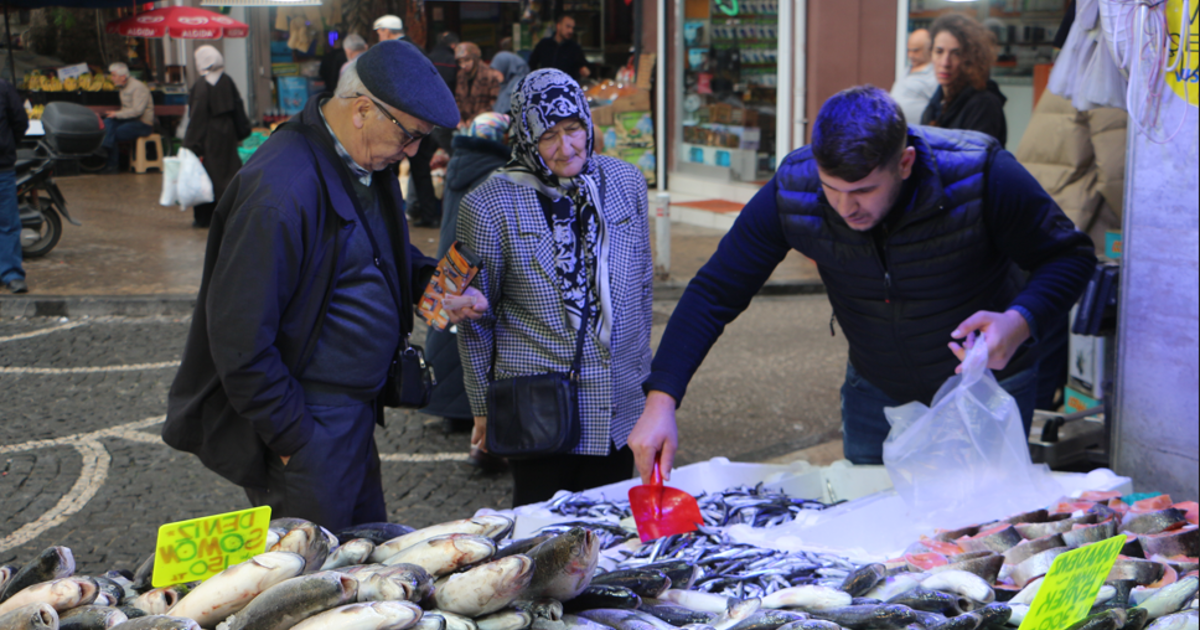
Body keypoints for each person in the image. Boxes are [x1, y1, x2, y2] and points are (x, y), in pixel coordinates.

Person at [629, 86, 1096, 482]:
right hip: (875, 391)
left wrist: (1018, 322)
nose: (845, 207)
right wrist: (661, 398)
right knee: (874, 536)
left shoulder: (981, 174)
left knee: (980, 535)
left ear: (906, 161)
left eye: (863, 191)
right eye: (831, 189)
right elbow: (715, 290)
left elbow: (1070, 255)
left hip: (985, 387)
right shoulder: (794, 187)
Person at [163, 40, 487, 530]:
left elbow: (370, 255)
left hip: (351, 417)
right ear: (362, 110)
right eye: (411, 136)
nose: (414, 151)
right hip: (311, 422)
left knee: (363, 562)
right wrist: (294, 437)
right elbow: (238, 339)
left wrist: (432, 287)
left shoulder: (360, 158)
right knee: (317, 584)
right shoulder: (280, 189)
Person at [457, 69, 653, 507]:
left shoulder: (625, 183)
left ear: (588, 123)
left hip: (618, 403)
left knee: (608, 539)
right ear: (525, 136)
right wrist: (482, 405)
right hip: (538, 409)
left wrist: (645, 383)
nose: (566, 148)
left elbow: (642, 286)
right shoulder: (489, 203)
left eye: (573, 129)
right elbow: (475, 319)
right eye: (548, 135)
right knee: (543, 543)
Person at [421, 112, 512, 445]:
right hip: (475, 266)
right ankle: (469, 421)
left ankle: (449, 409)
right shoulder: (494, 173)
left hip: (453, 263)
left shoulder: (460, 165)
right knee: (472, 331)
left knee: (449, 331)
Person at [182, 46, 245, 229]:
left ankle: (205, 218)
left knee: (207, 177)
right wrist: (241, 131)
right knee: (228, 174)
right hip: (227, 134)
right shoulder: (227, 81)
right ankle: (229, 213)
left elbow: (197, 116)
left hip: (209, 136)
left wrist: (191, 143)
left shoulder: (202, 85)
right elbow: (238, 106)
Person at [921, 14, 1008, 146]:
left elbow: (974, 162)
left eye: (956, 53)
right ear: (931, 53)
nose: (945, 63)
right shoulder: (937, 101)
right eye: (939, 51)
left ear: (971, 58)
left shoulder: (984, 104)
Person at [406, 32, 461, 229]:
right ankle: (441, 213)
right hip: (443, 120)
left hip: (420, 123)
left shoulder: (418, 66)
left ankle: (423, 212)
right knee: (450, 164)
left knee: (419, 171)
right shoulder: (441, 62)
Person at [0, 76, 28, 294]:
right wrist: (9, 145)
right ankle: (11, 275)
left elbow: (20, 122)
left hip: (3, 167)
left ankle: (11, 274)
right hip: (3, 165)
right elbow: (20, 122)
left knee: (8, 222)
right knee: (8, 223)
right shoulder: (4, 87)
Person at [100, 62, 154, 174]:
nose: (112, 78)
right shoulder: (122, 87)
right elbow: (126, 110)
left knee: (115, 133)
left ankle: (112, 164)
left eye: (114, 76)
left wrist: (117, 114)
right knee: (108, 123)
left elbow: (138, 111)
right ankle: (105, 147)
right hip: (129, 120)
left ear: (123, 77)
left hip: (142, 123)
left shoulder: (138, 87)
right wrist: (115, 114)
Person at [890, 29, 938, 126]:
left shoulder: (934, 75)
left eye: (916, 51)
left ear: (929, 49)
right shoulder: (907, 69)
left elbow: (938, 110)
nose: (910, 55)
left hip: (916, 135)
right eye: (909, 50)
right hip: (895, 132)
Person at [528, 15, 591, 83]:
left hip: (566, 88)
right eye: (568, 27)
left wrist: (584, 70)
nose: (571, 31)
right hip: (546, 86)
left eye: (572, 28)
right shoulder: (544, 44)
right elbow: (532, 63)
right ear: (558, 26)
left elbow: (583, 65)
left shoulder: (575, 48)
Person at [454, 42, 503, 127]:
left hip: (484, 123)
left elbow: (494, 102)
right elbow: (458, 99)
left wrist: (475, 119)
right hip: (464, 125)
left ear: (475, 59)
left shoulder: (489, 75)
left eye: (467, 60)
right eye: (460, 62)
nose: (463, 65)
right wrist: (459, 120)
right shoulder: (461, 75)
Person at [490, 51, 529, 116]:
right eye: (493, 70)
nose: (494, 74)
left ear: (506, 67)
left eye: (497, 69)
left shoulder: (518, 87)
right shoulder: (504, 85)